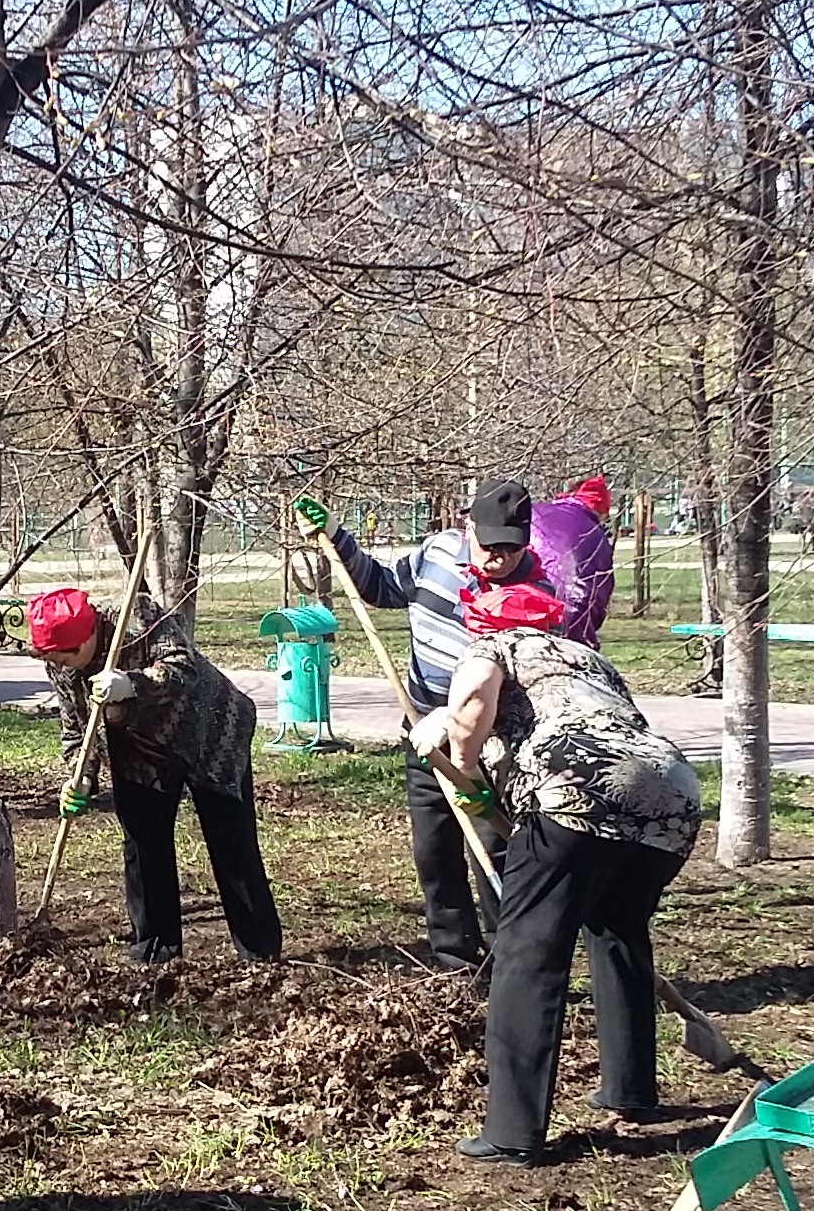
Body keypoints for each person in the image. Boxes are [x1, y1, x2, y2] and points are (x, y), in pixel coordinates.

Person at [422, 581, 698, 1158]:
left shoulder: (495, 647)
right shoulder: (588, 659)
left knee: (528, 951)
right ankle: (632, 1088)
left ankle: (511, 1133)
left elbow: (473, 699)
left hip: (574, 787)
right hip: (672, 793)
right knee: (617, 928)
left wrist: (464, 764)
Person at [298, 480, 556, 972]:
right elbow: (379, 586)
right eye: (490, 544)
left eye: (511, 547)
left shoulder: (535, 595)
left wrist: (457, 721)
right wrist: (334, 533)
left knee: (495, 851)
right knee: (433, 852)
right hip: (421, 729)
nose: (499, 558)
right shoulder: (436, 555)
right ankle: (455, 960)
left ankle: (513, 970)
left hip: (493, 746)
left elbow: (528, 685)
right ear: (467, 527)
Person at [29, 585, 282, 965]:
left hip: (208, 731)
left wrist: (132, 683)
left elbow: (183, 667)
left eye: (71, 655)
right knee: (142, 842)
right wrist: (79, 777)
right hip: (140, 745)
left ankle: (260, 952)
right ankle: (155, 951)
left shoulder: (137, 615)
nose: (65, 665)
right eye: (55, 659)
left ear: (90, 634)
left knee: (231, 842)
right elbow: (76, 729)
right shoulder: (60, 662)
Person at [528, 473, 618, 647]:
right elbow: (599, 591)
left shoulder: (535, 513)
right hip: (572, 622)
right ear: (598, 510)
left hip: (525, 609)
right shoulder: (596, 536)